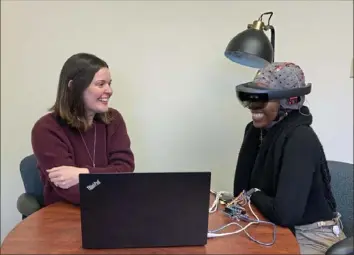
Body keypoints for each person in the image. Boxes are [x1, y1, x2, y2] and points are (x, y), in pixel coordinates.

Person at [233, 62, 346, 254]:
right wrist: (250, 193)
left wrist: (253, 193)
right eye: (251, 99)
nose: (252, 106)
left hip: (313, 236)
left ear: (289, 102)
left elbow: (285, 214)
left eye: (261, 100)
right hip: (272, 225)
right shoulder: (256, 131)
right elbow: (239, 192)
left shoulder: (300, 139)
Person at [31, 52, 135, 206]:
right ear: (73, 87)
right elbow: (71, 189)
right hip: (64, 213)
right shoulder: (46, 129)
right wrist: (111, 180)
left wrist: (83, 173)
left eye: (109, 83)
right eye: (100, 84)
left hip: (111, 209)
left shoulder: (114, 120)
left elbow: (126, 170)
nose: (109, 90)